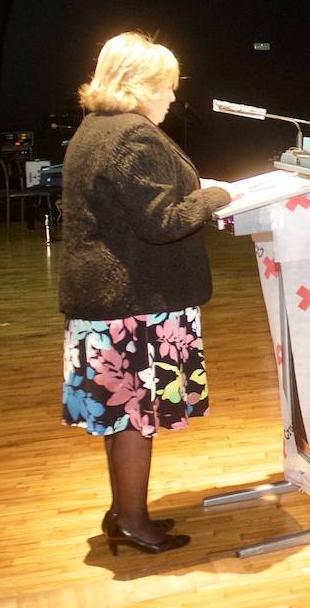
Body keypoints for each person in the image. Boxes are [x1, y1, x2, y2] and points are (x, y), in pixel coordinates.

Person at [60, 33, 234, 555]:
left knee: (124, 416)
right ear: (139, 86)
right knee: (137, 416)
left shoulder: (95, 129)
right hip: (133, 304)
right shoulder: (132, 136)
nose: (173, 98)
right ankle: (134, 521)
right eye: (168, 88)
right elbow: (163, 222)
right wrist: (218, 196)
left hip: (111, 300)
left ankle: (124, 511)